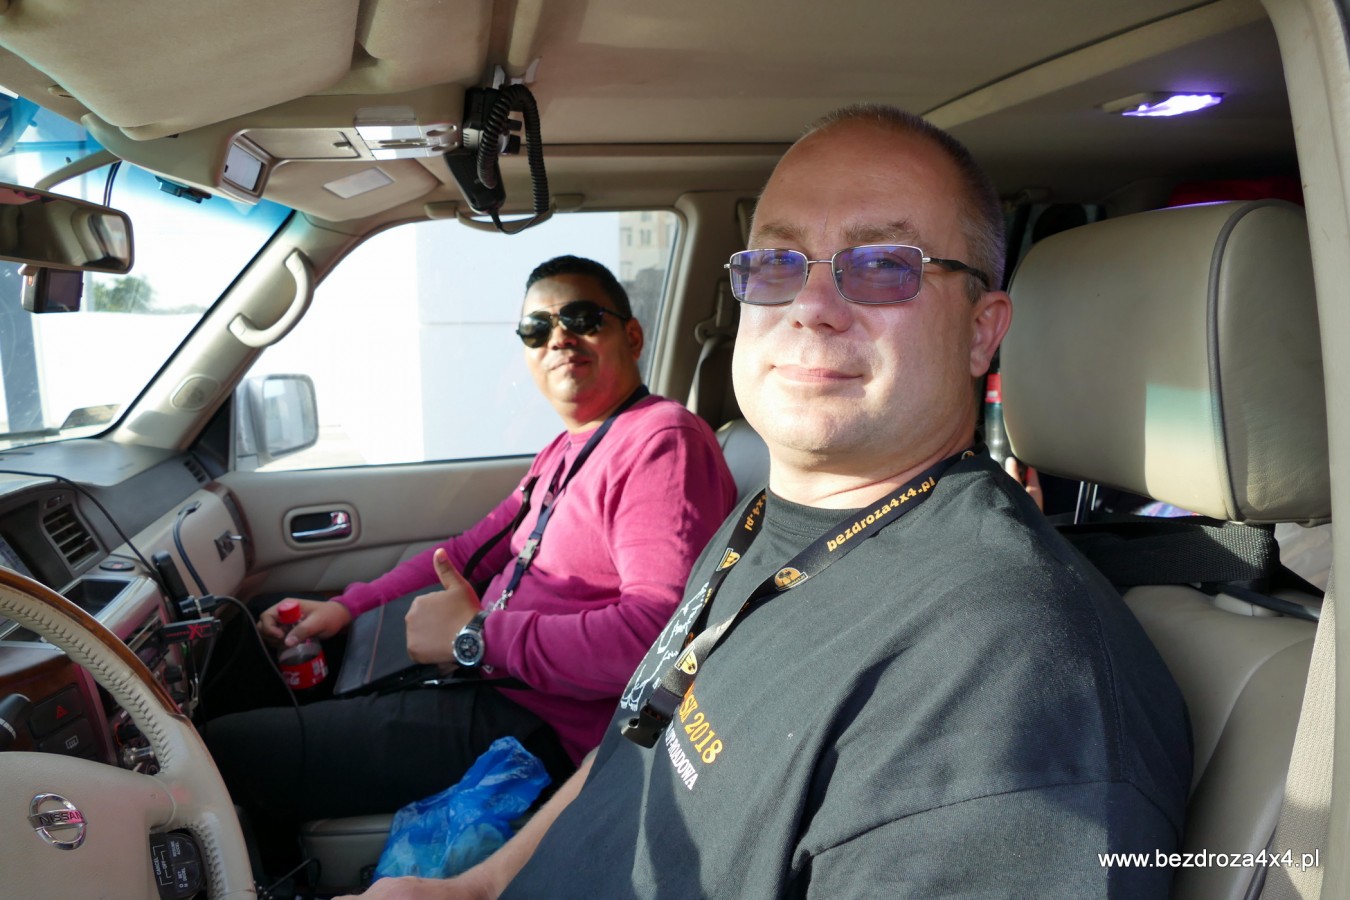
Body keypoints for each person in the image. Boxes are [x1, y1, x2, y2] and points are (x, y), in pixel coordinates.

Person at [343, 107, 1191, 899]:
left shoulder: (1007, 670)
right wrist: (476, 887)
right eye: (778, 264)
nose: (812, 307)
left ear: (981, 330)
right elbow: (637, 740)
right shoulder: (759, 522)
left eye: (884, 266)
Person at [206, 255, 738, 858]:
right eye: (536, 329)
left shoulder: (662, 442)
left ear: (631, 336)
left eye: (582, 318)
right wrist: (348, 608)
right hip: (490, 676)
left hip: (542, 729)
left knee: (228, 749)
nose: (559, 338)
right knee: (257, 650)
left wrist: (478, 637)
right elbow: (466, 553)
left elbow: (657, 640)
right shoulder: (567, 449)